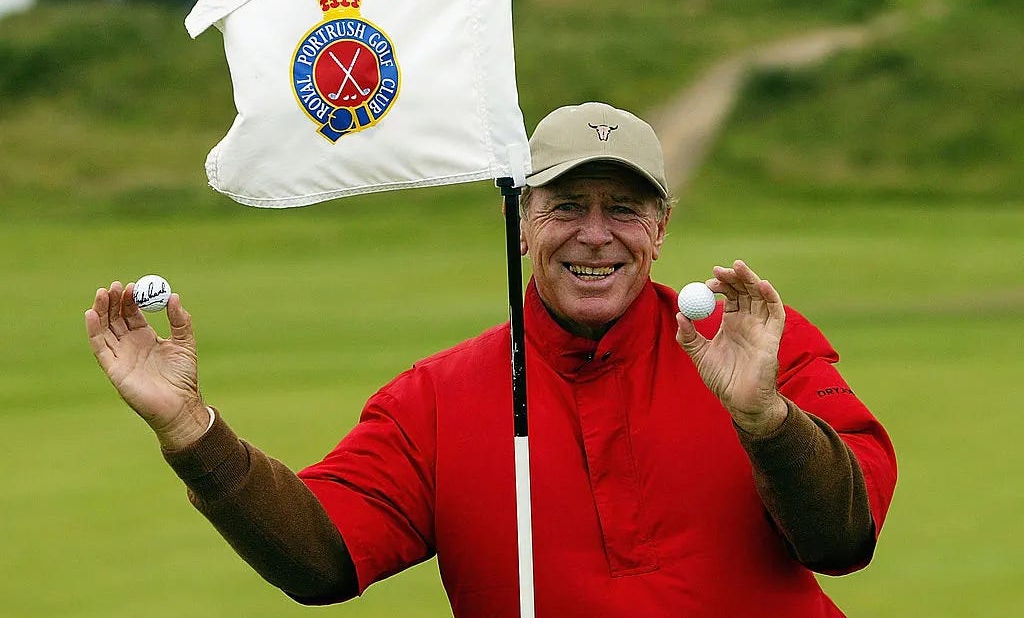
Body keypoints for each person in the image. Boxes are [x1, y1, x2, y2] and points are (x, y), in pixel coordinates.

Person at [85, 101, 897, 617]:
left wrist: (768, 420)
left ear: (661, 228)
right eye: (567, 205)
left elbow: (842, 538)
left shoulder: (758, 347)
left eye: (624, 208)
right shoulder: (435, 399)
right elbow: (321, 559)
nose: (595, 234)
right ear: (521, 222)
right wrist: (192, 431)